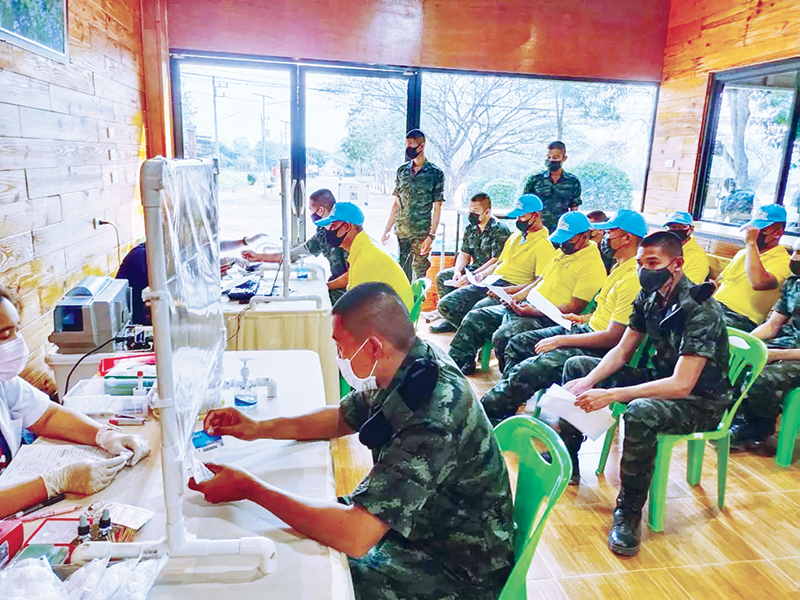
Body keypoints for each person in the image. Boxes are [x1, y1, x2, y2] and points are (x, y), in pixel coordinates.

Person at [189, 283, 515, 599]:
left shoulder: (432, 416)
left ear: (373, 347)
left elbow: (355, 536)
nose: (339, 356)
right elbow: (341, 418)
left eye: (341, 347)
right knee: (297, 529)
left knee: (302, 571)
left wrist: (250, 489)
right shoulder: (410, 363)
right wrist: (257, 428)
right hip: (421, 526)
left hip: (457, 569)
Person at [560, 231, 730, 556]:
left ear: (676, 264)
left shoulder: (701, 309)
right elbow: (623, 350)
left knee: (641, 411)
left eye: (652, 262)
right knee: (578, 367)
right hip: (661, 380)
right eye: (640, 263)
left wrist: (613, 395)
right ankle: (569, 457)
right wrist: (589, 381)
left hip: (700, 401)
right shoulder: (649, 296)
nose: (644, 270)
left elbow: (682, 384)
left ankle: (628, 510)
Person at [480, 210, 645, 452]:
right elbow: (605, 314)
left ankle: (490, 412)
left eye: (611, 233)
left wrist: (561, 340)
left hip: (599, 348)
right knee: (519, 343)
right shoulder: (620, 268)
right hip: (584, 329)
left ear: (627, 238)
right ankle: (508, 402)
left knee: (531, 368)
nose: (605, 238)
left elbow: (614, 336)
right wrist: (581, 318)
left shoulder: (632, 279)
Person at [0, 287, 149, 518]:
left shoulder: (5, 382)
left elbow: (47, 415)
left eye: (17, 330)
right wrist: (55, 482)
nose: (17, 343)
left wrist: (106, 436)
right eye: (3, 336)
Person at [448, 211, 606, 374]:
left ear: (584, 236)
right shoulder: (563, 253)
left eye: (569, 238)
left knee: (504, 336)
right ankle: (456, 367)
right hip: (529, 306)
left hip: (549, 318)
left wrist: (535, 311)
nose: (563, 243)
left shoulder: (592, 266)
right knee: (475, 317)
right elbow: (540, 281)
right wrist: (515, 297)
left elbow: (575, 307)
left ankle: (510, 380)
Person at [729, 239, 800, 450]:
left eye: (799, 253)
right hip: (787, 344)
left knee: (763, 377)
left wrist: (776, 354)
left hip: (794, 355)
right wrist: (746, 343)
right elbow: (773, 325)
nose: (794, 258)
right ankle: (736, 417)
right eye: (794, 251)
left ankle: (759, 427)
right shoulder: (794, 284)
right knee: (737, 360)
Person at [242, 189, 350, 304]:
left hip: (348, 294)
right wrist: (257, 256)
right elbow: (292, 256)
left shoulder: (346, 233)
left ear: (321, 210)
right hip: (335, 289)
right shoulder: (323, 234)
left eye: (310, 209)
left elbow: (351, 276)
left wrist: (324, 287)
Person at [431, 193, 510, 333]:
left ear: (487, 212)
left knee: (457, 296)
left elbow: (496, 260)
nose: (472, 214)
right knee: (443, 277)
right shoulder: (471, 228)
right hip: (473, 269)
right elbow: (464, 253)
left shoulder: (499, 229)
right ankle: (450, 320)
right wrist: (457, 271)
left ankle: (467, 329)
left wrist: (473, 275)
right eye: (470, 210)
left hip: (490, 274)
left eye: (476, 211)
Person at [316, 202, 414, 311]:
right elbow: (351, 276)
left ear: (347, 226)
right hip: (392, 311)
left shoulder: (366, 257)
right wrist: (326, 286)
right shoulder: (363, 245)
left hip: (395, 319)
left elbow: (356, 309)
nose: (329, 231)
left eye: (333, 226)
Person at [713, 204, 791, 332]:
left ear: (778, 233)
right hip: (714, 306)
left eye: (762, 230)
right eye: (754, 229)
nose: (755, 234)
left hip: (740, 319)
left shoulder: (784, 261)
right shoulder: (743, 253)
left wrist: (751, 243)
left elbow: (758, 282)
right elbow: (720, 281)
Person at [382, 129, 445, 281]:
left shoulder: (435, 173)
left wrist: (431, 236)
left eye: (411, 145)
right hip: (402, 231)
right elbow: (396, 203)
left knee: (419, 273)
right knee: (403, 272)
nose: (408, 148)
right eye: (406, 145)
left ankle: (418, 297)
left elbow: (437, 207)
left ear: (421, 146)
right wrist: (387, 229)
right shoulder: (402, 171)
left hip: (422, 232)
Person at [521, 141, 582, 232]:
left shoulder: (573, 181)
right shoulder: (535, 179)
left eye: (555, 157)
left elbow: (574, 209)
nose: (551, 160)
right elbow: (525, 205)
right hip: (537, 229)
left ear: (564, 158)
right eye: (548, 157)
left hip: (561, 230)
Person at [663, 211, 709, 283]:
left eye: (682, 227)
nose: (676, 230)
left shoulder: (697, 257)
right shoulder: (663, 248)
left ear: (691, 229)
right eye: (672, 227)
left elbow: (689, 287)